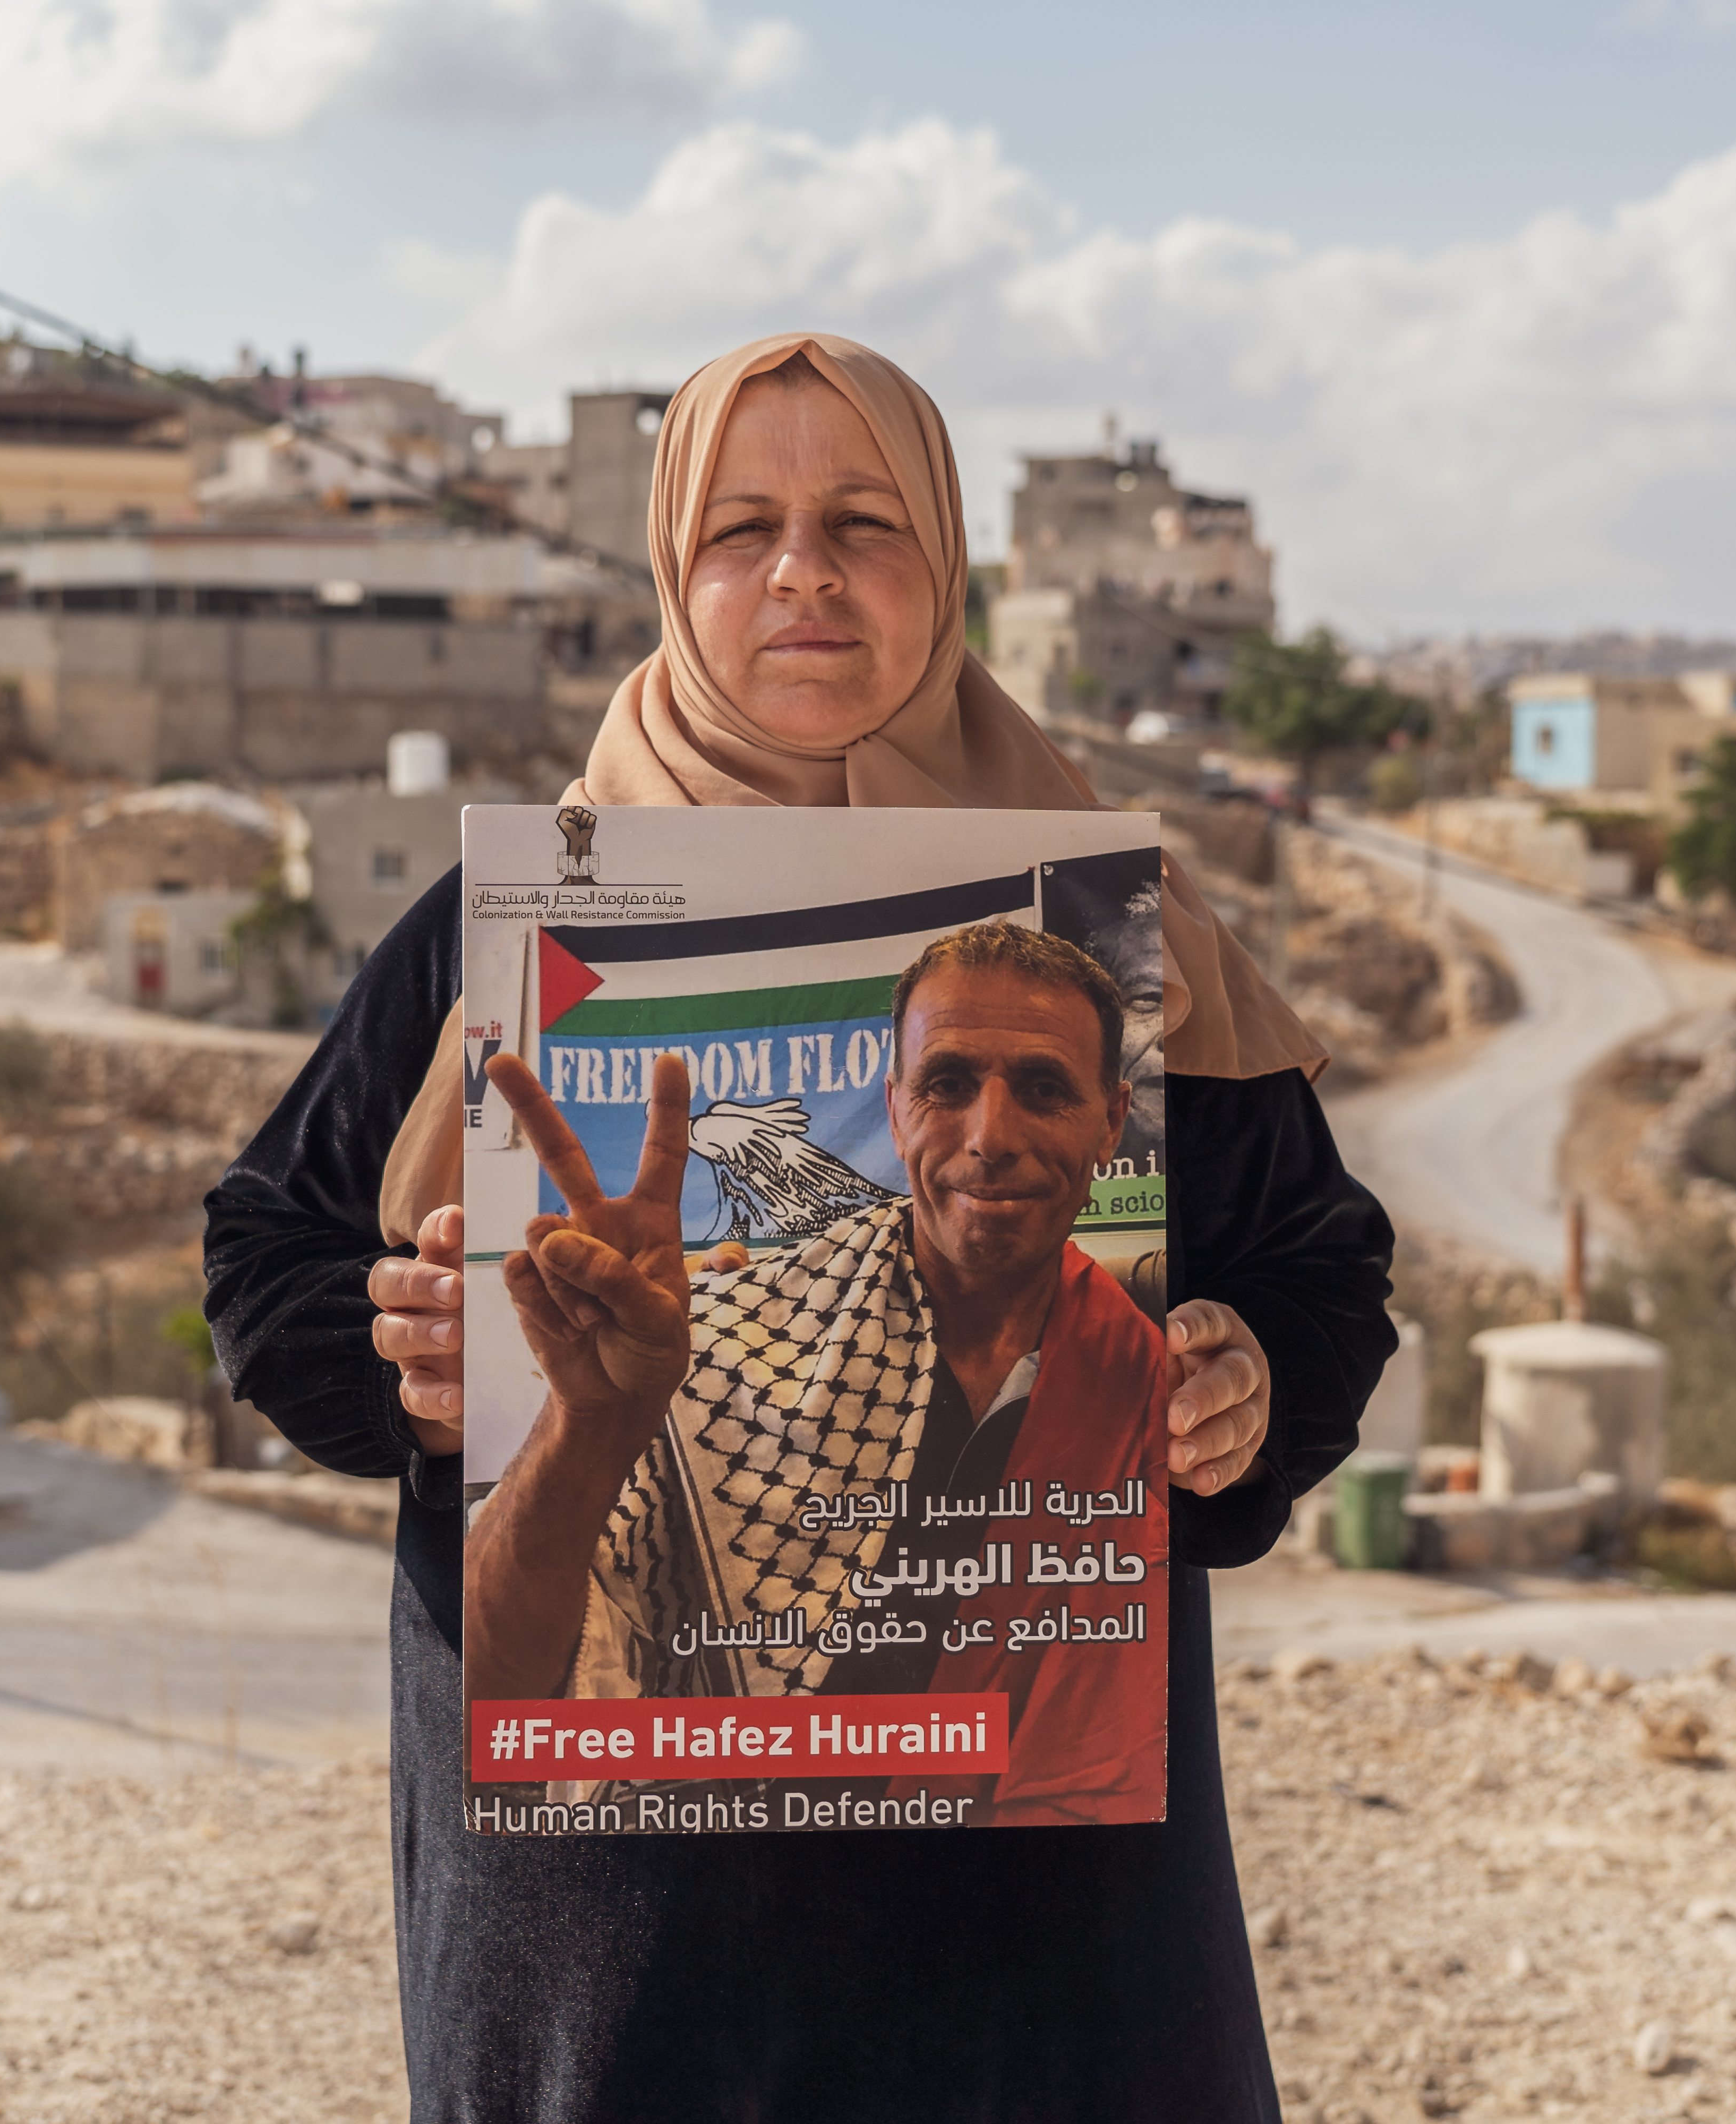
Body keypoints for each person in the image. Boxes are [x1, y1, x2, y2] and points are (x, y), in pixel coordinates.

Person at [203, 330, 1398, 2123]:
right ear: (675, 574)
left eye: (864, 521)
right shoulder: (512, 924)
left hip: (1031, 1909)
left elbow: (1318, 1269)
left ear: (948, 562)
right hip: (624, 1914)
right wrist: (408, 1364)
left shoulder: (1118, 924)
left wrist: (1247, 1390)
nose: (804, 574)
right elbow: (266, 1253)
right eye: (741, 526)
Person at [473, 921, 1177, 1826]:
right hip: (730, 1917)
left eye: (1043, 1089)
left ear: (1112, 1121)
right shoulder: (721, 1342)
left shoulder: (1155, 1374)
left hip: (1040, 1919)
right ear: (895, 1108)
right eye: (948, 1084)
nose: (990, 1135)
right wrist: (586, 1421)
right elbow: (501, 1714)